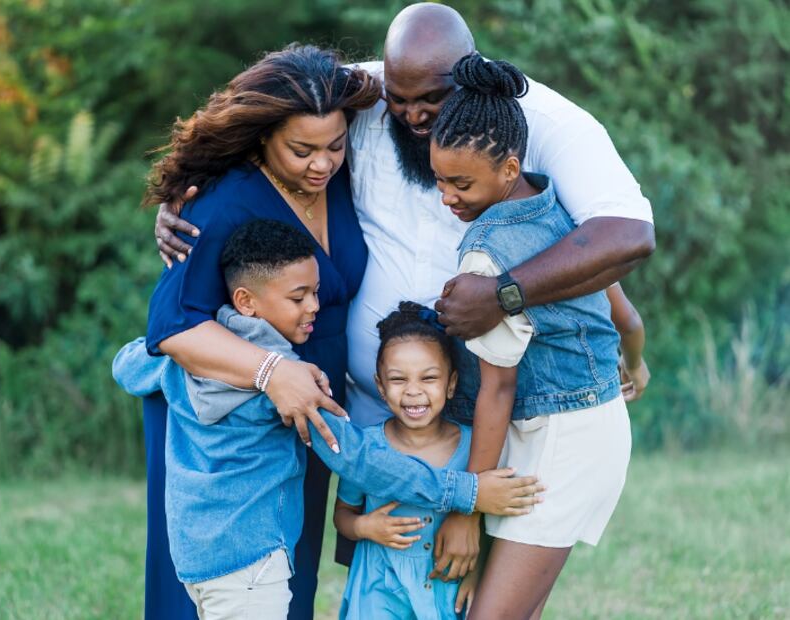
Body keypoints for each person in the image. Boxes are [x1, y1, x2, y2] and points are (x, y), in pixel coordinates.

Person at [153, 3, 655, 579]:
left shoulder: (544, 124)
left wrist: (504, 295)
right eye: (400, 99)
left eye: (431, 101)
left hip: (464, 410)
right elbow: (271, 104)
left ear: (467, 75)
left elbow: (626, 238)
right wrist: (183, 189)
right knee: (378, 576)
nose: (414, 114)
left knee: (453, 581)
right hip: (359, 409)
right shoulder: (367, 94)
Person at [135, 44, 542, 619]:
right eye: (301, 150)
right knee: (224, 575)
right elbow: (172, 328)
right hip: (228, 421)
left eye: (334, 145)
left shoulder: (338, 179)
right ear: (262, 138)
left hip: (307, 403)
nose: (322, 164)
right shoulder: (221, 203)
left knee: (286, 572)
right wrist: (272, 373)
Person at [114, 221, 541, 619]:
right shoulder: (288, 384)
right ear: (246, 301)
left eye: (316, 292)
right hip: (253, 560)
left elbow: (127, 365)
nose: (314, 306)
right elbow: (356, 458)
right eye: (298, 297)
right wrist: (468, 491)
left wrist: (178, 351)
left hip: (196, 558)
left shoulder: (187, 357)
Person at [429, 53, 646, 618]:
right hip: (589, 428)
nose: (447, 197)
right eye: (439, 180)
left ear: (508, 168)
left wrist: (467, 508)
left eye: (461, 183)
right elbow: (624, 313)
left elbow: (497, 390)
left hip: (560, 444)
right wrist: (637, 362)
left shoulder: (485, 256)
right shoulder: (559, 211)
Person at [335, 302, 491, 620]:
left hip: (448, 587)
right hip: (379, 588)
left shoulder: (475, 447)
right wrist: (364, 526)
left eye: (429, 378)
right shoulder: (366, 448)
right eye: (398, 379)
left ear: (451, 384)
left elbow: (489, 522)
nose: (413, 391)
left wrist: (478, 573)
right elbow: (343, 514)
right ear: (380, 386)